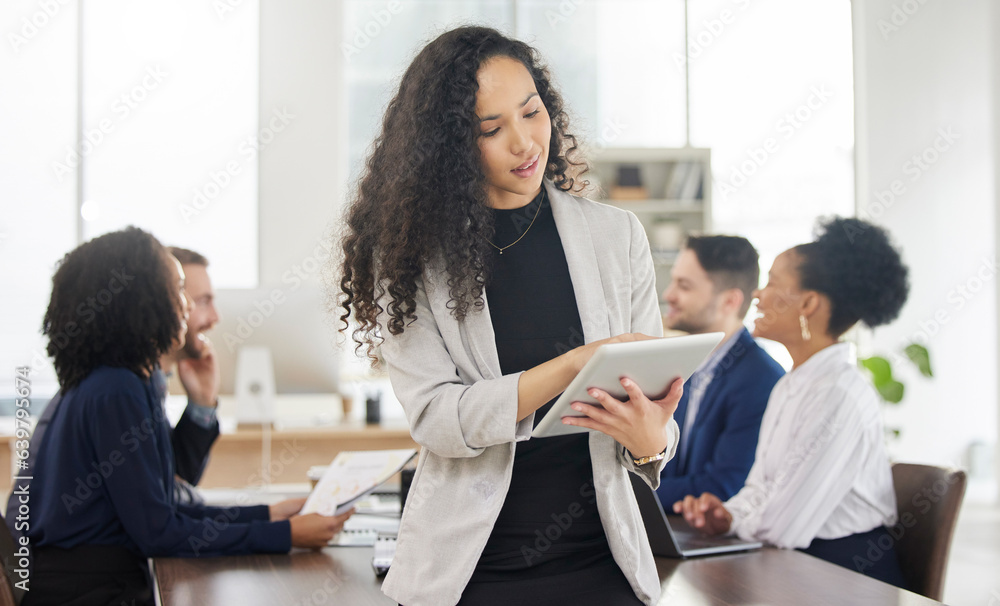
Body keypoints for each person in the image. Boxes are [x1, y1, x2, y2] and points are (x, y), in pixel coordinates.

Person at [338, 26, 681, 606]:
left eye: (532, 113)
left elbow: (652, 414)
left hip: (604, 564)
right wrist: (573, 365)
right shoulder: (406, 258)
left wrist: (652, 440)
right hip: (472, 572)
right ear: (448, 149)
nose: (525, 143)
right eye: (491, 130)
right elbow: (438, 420)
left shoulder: (615, 236)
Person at [19, 227, 351, 606]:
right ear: (140, 301)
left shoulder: (126, 381)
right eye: (178, 290)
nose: (187, 307)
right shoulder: (116, 388)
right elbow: (159, 531)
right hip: (88, 592)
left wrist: (269, 515)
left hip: (93, 582)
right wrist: (285, 535)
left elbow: (165, 503)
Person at [673, 216, 911, 589]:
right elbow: (760, 488)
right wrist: (726, 515)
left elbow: (782, 525)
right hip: (792, 564)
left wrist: (737, 520)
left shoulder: (838, 396)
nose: (757, 295)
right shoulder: (792, 385)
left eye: (772, 283)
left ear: (809, 304)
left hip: (846, 579)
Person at [656, 235, 784, 506]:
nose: (669, 295)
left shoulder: (763, 380)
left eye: (684, 286)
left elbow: (723, 487)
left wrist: (627, 496)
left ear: (729, 301)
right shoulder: (684, 366)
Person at [161, 247, 222, 502]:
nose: (215, 318)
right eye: (203, 301)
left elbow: (177, 479)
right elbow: (164, 509)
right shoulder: (125, 388)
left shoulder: (153, 383)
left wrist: (201, 401)